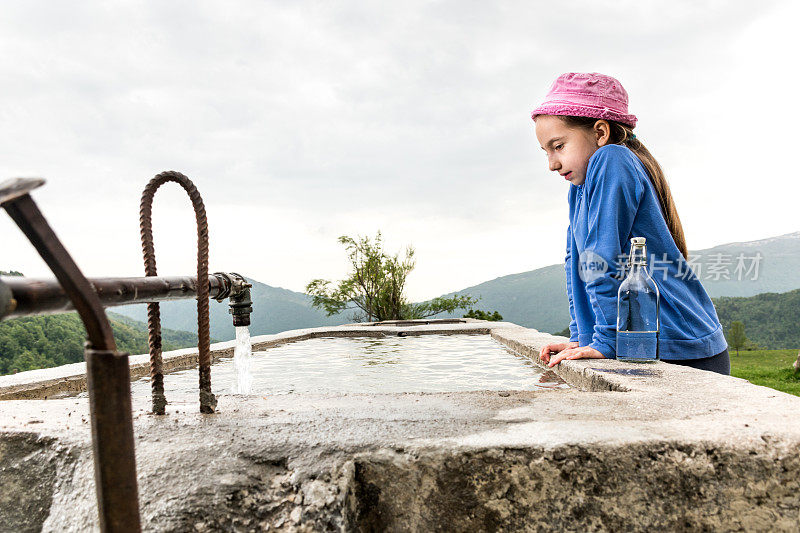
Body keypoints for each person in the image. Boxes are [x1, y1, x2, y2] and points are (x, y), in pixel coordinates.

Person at [532, 72, 730, 375]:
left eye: (558, 146)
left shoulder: (612, 159)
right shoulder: (578, 190)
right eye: (546, 151)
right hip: (643, 342)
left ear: (600, 132)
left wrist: (607, 340)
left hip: (676, 344)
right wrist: (583, 337)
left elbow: (602, 257)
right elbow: (577, 265)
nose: (552, 163)